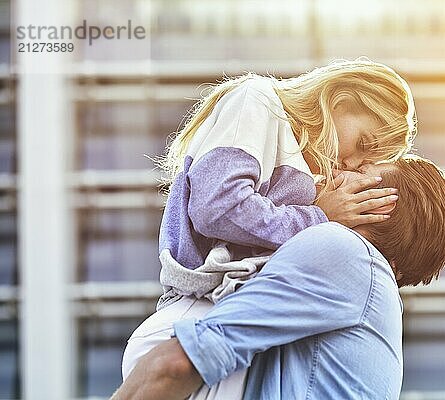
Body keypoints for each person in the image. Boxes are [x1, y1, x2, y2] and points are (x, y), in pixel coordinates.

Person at [120, 57, 419, 398]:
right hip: (195, 309)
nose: (350, 162)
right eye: (363, 143)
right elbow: (217, 206)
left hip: (219, 312)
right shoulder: (259, 101)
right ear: (342, 100)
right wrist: (320, 219)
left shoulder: (308, 170)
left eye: (365, 162)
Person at [111, 156, 445, 400]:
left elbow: (178, 364)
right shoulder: (366, 291)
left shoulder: (345, 249)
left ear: (378, 203)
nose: (337, 170)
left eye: (363, 169)